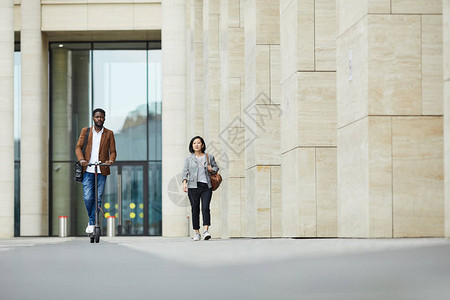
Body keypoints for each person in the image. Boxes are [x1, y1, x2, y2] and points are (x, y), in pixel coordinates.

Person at [75, 108, 117, 234]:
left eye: (102, 117)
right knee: (88, 198)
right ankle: (92, 220)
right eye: (97, 117)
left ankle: (92, 223)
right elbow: (78, 147)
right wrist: (81, 159)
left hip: (101, 170)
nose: (100, 119)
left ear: (104, 118)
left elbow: (113, 151)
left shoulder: (109, 133)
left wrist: (110, 160)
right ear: (93, 118)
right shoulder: (86, 131)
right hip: (88, 169)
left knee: (98, 198)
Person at [182, 136, 219, 241]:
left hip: (206, 186)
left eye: (198, 143)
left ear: (202, 145)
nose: (196, 145)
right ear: (192, 145)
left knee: (205, 208)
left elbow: (216, 168)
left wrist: (211, 169)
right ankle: (197, 232)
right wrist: (184, 183)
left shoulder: (209, 156)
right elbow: (185, 171)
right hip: (193, 187)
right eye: (194, 143)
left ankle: (206, 231)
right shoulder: (189, 158)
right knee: (195, 209)